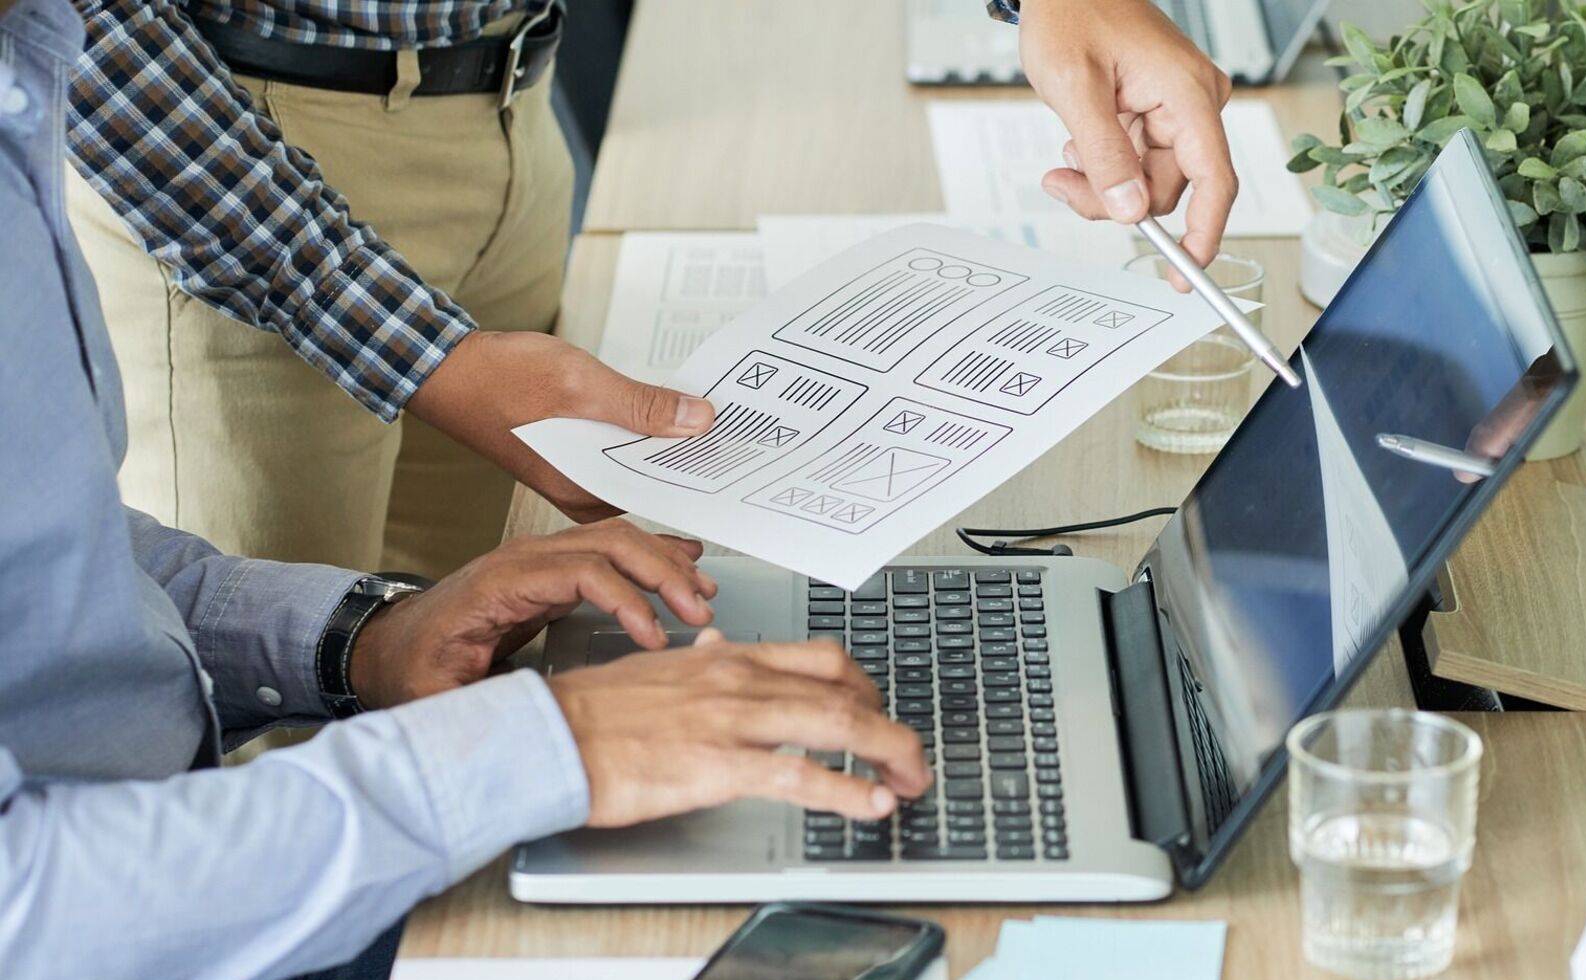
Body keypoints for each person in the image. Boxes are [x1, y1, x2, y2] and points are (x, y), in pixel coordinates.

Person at [2, 0, 934, 980]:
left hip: (224, 908)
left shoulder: (18, 88)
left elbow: (62, 581)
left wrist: (364, 639)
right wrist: (541, 749)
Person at [64, 0, 1239, 580]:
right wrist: (416, 347)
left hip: (512, 108)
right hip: (236, 175)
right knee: (275, 727)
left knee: (473, 648)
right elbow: (88, 29)